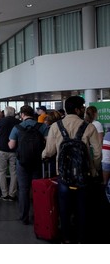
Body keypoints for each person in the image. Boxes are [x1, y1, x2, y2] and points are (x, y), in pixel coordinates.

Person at [42, 96, 101, 243]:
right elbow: (98, 152)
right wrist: (93, 169)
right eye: (82, 107)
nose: (83, 109)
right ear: (77, 109)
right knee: (82, 210)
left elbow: (49, 151)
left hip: (64, 175)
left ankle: (66, 239)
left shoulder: (56, 126)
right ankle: (81, 239)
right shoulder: (89, 127)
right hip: (83, 176)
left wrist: (42, 155)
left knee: (64, 209)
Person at [8, 105, 47, 225]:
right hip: (37, 161)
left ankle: (23, 216)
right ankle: (38, 215)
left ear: (22, 114)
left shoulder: (17, 127)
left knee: (23, 189)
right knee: (37, 189)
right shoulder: (42, 126)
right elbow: (48, 141)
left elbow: (12, 146)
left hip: (22, 162)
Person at [0, 106, 21, 201]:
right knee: (14, 172)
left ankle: (4, 194)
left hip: (2, 149)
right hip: (14, 150)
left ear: (5, 113)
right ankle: (12, 194)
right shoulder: (19, 122)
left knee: (2, 172)